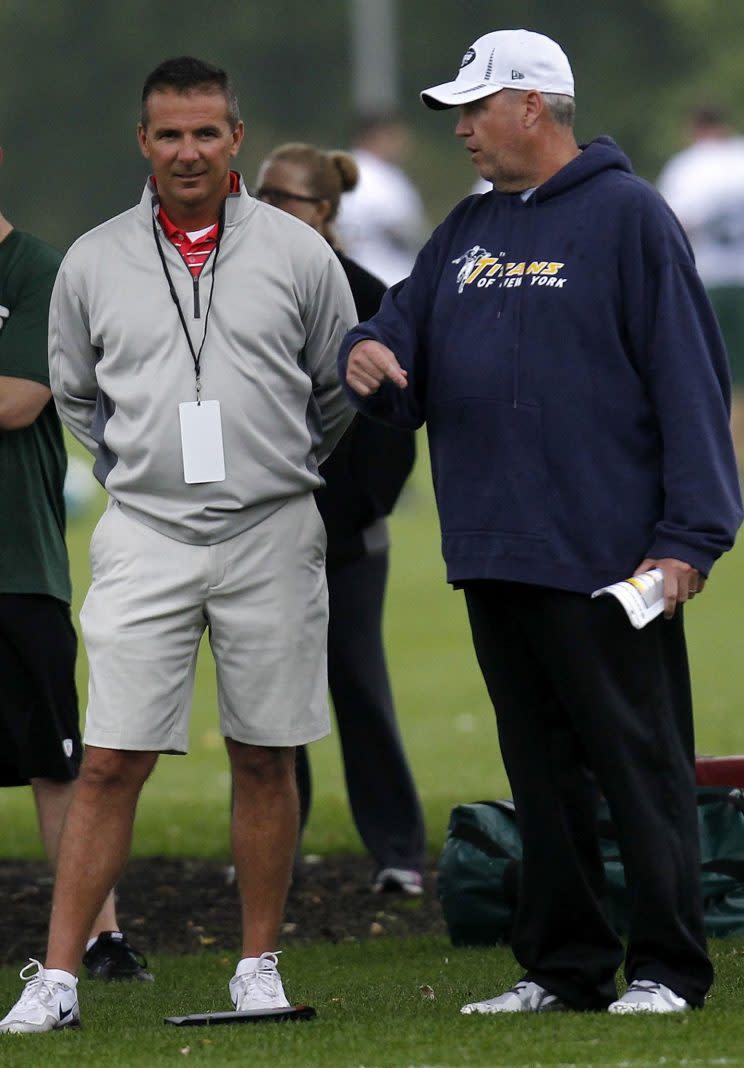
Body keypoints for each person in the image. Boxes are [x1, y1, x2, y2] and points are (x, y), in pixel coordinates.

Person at [339, 29, 743, 1015]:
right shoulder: (469, 228)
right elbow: (402, 327)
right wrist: (367, 351)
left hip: (608, 557)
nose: (464, 131)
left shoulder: (631, 217)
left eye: (475, 110)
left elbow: (691, 383)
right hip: (493, 550)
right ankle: (564, 968)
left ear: (532, 105)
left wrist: (690, 539)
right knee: (543, 776)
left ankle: (665, 970)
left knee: (638, 770)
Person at [0, 56, 356, 1034]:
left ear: (236, 138)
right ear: (143, 143)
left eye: (207, 132)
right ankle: (61, 979)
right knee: (108, 758)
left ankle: (257, 966)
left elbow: (334, 387)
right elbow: (75, 393)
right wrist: (145, 472)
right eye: (170, 134)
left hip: (272, 527)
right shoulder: (95, 257)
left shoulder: (295, 251)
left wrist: (271, 467)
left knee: (264, 752)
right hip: (148, 530)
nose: (188, 150)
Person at [254, 143, 426, 894]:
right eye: (256, 195)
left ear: (322, 212)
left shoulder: (369, 293)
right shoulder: (242, 288)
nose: (261, 210)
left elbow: (391, 428)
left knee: (358, 687)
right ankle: (273, 854)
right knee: (268, 703)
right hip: (262, 535)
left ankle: (397, 851)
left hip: (347, 537)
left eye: (281, 198)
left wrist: (347, 520)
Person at [0, 145, 150, 984]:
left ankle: (100, 937)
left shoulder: (35, 271)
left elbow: (18, 400)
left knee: (56, 762)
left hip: (16, 563)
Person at [657, 107, 744, 471]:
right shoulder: (739, 156)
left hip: (708, 281)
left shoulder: (687, 168)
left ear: (695, 128)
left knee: (714, 374)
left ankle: (725, 456)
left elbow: (676, 227)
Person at [335, 112, 428, 286]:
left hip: (355, 277)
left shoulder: (345, 168)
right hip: (385, 277)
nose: (403, 143)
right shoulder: (375, 176)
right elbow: (401, 230)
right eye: (395, 135)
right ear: (377, 135)